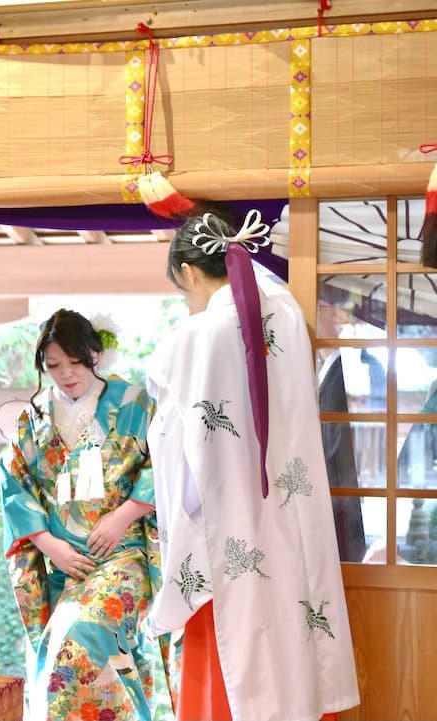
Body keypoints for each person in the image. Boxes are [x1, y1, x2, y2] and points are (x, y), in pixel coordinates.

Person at [145, 209, 360, 720]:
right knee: (294, 632)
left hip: (229, 527)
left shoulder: (193, 339)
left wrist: (178, 528)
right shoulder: (282, 311)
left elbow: (175, 450)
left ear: (190, 274)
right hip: (292, 511)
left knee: (234, 658)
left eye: (184, 290)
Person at [0, 309, 173, 721]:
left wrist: (126, 513)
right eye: (54, 366)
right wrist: (48, 544)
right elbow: (15, 485)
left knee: (85, 631)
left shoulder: (134, 402)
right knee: (64, 643)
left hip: (123, 556)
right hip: (67, 565)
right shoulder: (33, 419)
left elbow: (165, 463)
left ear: (95, 354)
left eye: (75, 362)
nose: (66, 374)